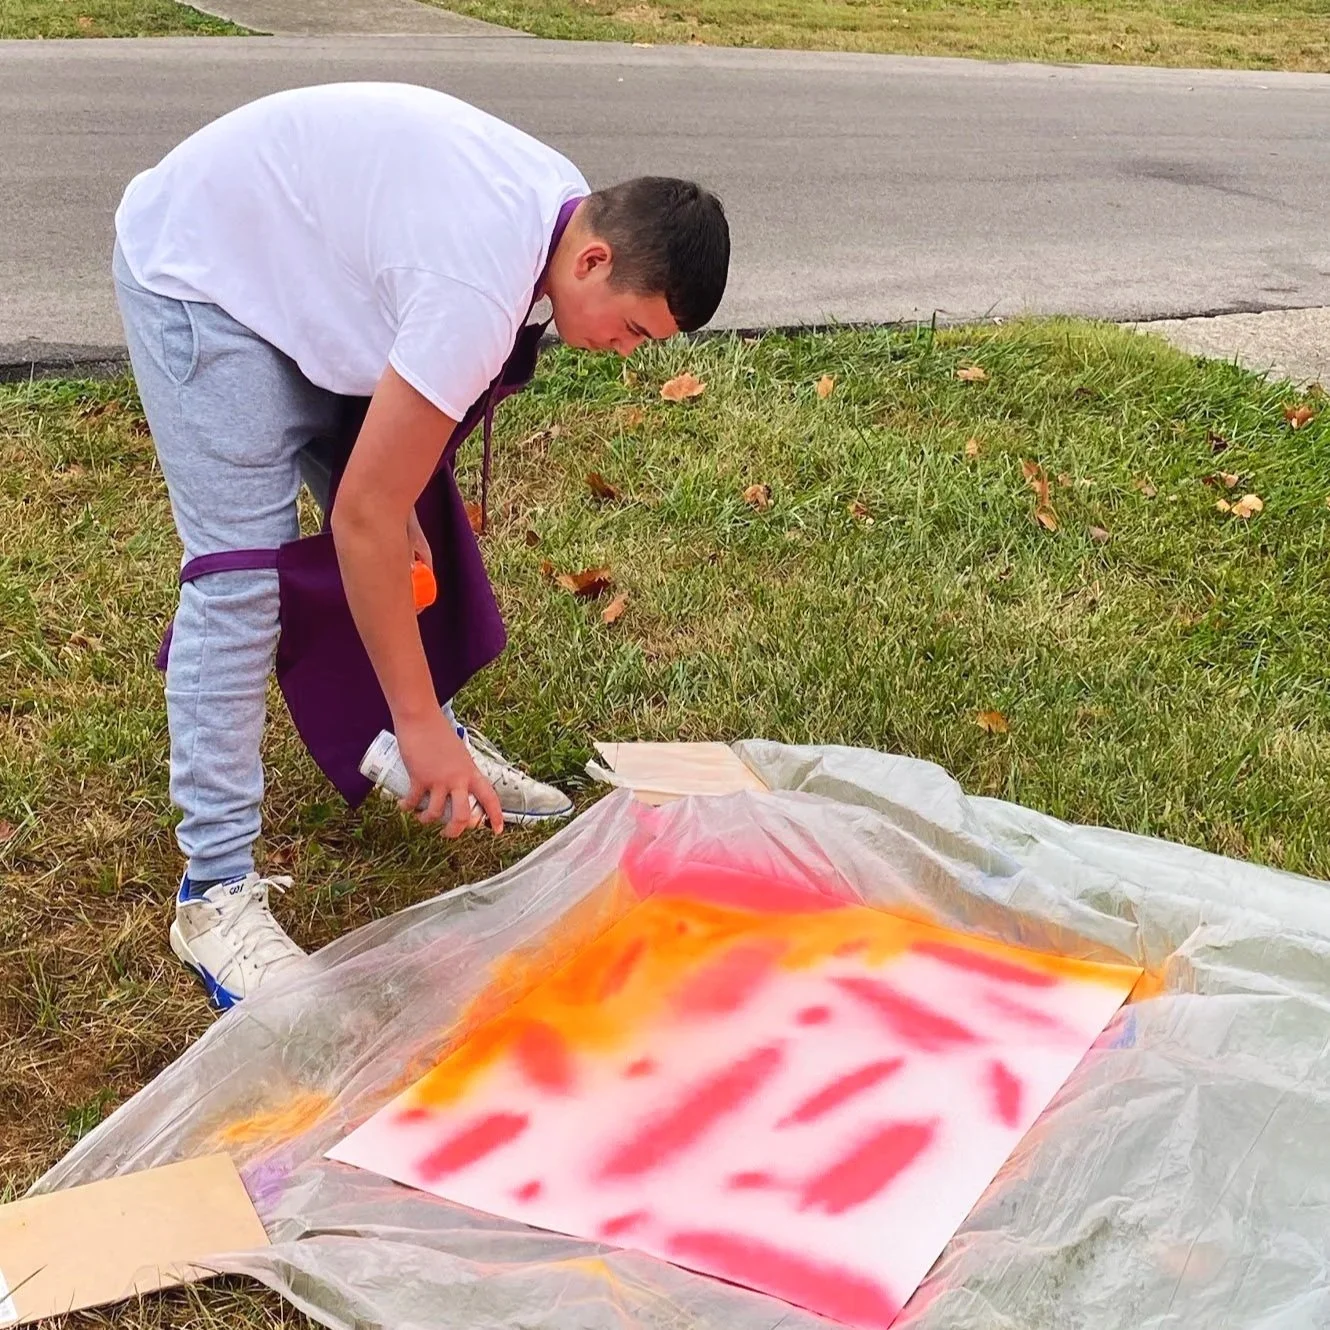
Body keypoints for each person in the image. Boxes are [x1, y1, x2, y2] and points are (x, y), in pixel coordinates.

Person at [111, 81, 730, 1010]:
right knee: (242, 582)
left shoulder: (561, 211)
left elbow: (388, 482)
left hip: (310, 273)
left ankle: (393, 734)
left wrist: (394, 498)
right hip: (205, 276)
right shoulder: (478, 284)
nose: (627, 354)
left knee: (414, 519)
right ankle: (214, 890)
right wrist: (419, 716)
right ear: (594, 258)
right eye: (634, 328)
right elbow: (360, 515)